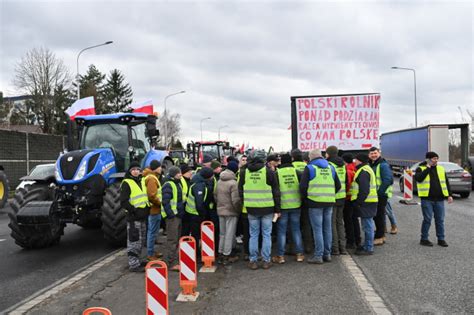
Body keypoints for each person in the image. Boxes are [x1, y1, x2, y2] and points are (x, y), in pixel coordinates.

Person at [239, 150, 281, 270]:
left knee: (253, 235)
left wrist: (245, 203)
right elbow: (276, 192)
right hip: (267, 208)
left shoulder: (244, 172)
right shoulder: (269, 172)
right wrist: (277, 209)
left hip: (251, 208)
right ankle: (266, 260)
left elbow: (240, 191)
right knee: (266, 234)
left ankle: (253, 260)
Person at [300, 150, 341, 264]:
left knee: (317, 230)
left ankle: (318, 255)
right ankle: (327, 254)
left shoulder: (310, 168)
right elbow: (338, 185)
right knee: (327, 228)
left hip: (314, 202)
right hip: (329, 202)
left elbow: (303, 187)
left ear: (310, 157)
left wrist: (308, 198)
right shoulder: (331, 168)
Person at [414, 151, 453, 247]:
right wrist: (428, 168)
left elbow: (446, 182)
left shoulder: (440, 169)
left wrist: (449, 195)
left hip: (439, 199)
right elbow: (419, 179)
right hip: (427, 199)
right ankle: (424, 239)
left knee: (440, 220)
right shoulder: (420, 168)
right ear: (428, 159)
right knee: (427, 219)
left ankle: (441, 239)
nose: (436, 160)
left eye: (437, 158)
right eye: (434, 158)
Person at [273, 153, 304, 264]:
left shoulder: (277, 173)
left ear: (281, 161)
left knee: (281, 231)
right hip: (296, 205)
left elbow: (275, 191)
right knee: (296, 229)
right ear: (291, 161)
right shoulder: (297, 172)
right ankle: (299, 254)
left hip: (283, 206)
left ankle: (280, 256)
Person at [121, 162, 150, 272]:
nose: (136, 171)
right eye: (133, 169)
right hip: (134, 218)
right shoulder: (126, 183)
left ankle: (139, 260)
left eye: (138, 169)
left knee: (141, 241)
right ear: (129, 171)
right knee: (134, 241)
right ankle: (133, 265)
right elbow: (123, 202)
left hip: (142, 217)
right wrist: (134, 211)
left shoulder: (141, 180)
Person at [215, 161, 241, 265]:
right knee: (229, 234)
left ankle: (221, 252)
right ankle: (227, 255)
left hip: (220, 210)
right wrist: (238, 210)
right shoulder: (233, 183)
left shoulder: (219, 181)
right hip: (231, 211)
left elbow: (215, 195)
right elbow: (235, 200)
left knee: (222, 234)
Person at [352, 153, 378, 255]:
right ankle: (367, 245)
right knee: (367, 225)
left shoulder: (363, 171)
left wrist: (358, 202)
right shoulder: (366, 169)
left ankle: (368, 247)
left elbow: (364, 190)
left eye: (356, 160)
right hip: (369, 201)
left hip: (366, 202)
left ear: (360, 161)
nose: (355, 162)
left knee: (367, 226)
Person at [182, 167, 214, 249]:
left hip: (193, 212)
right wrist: (202, 213)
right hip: (194, 213)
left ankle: (195, 251)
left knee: (195, 233)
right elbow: (199, 203)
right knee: (195, 234)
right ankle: (195, 252)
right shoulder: (199, 185)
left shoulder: (199, 182)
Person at [161, 166, 185, 271]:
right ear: (174, 174)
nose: (180, 174)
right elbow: (165, 202)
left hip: (177, 216)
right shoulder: (169, 185)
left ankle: (174, 261)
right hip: (173, 217)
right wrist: (171, 215)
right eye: (178, 173)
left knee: (175, 239)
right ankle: (170, 263)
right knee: (172, 240)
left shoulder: (177, 183)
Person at [368, 147, 393, 246]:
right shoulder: (373, 164)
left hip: (380, 195)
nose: (373, 155)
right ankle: (381, 235)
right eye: (371, 153)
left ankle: (379, 237)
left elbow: (388, 180)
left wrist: (379, 192)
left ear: (379, 153)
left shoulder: (382, 165)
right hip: (377, 194)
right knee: (378, 216)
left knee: (379, 216)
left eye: (375, 153)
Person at [325, 146, 347, 255]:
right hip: (342, 197)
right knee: (340, 222)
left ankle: (335, 248)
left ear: (328, 154)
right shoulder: (343, 165)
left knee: (332, 223)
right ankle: (343, 247)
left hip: (333, 197)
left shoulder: (330, 165)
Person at [291, 148, 313, 254]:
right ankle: (308, 246)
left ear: (292, 157)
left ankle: (294, 247)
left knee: (294, 224)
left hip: (293, 199)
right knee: (306, 223)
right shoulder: (307, 166)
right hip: (306, 198)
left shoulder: (291, 167)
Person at [143, 160, 163, 261]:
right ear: (156, 168)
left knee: (153, 232)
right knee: (152, 232)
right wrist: (160, 204)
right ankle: (150, 254)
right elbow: (152, 196)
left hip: (154, 209)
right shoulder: (151, 179)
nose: (161, 169)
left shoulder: (151, 177)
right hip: (154, 210)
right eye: (160, 167)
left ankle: (152, 252)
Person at [342, 153, 361, 249]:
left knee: (348, 220)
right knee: (354, 220)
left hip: (348, 199)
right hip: (354, 198)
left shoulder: (348, 170)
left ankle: (351, 241)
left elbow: (347, 185)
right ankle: (357, 239)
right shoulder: (355, 168)